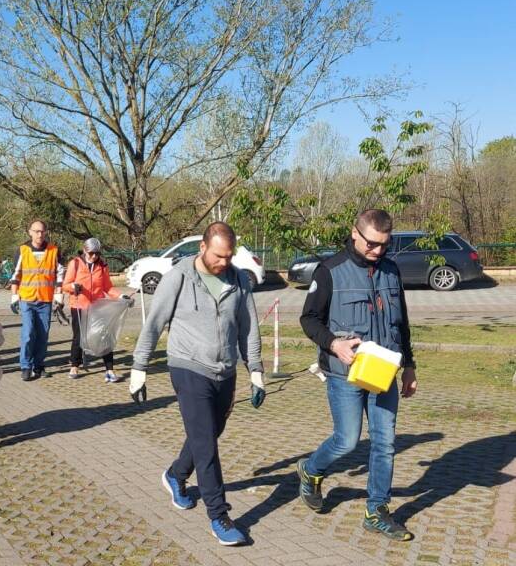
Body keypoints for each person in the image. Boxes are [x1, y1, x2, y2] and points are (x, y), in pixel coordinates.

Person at [129, 222, 265, 547]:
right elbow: (154, 323)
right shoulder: (179, 276)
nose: (224, 262)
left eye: (229, 256)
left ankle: (175, 475)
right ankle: (219, 515)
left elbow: (248, 328)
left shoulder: (239, 279)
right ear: (203, 247)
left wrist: (256, 371)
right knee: (206, 444)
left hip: (225, 370)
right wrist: (139, 367)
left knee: (208, 433)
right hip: (187, 365)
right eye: (219, 255)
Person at [297, 208, 417, 541]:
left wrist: (409, 366)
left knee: (385, 443)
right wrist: (334, 344)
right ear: (355, 233)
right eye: (372, 243)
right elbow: (309, 319)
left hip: (384, 375)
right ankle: (310, 469)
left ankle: (376, 510)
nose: (378, 251)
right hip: (343, 374)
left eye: (384, 244)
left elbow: (401, 323)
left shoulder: (391, 271)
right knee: (347, 440)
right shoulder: (330, 271)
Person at [62, 237, 128, 382]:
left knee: (103, 335)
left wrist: (121, 296)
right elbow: (65, 285)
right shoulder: (75, 264)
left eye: (97, 253)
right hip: (79, 305)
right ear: (85, 251)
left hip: (97, 306)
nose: (94, 256)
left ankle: (110, 369)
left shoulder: (102, 265)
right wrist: (73, 287)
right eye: (91, 253)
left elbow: (107, 287)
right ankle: (75, 365)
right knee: (79, 336)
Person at [10, 219, 65, 380]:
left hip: (45, 299)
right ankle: (26, 366)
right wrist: (14, 296)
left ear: (45, 232)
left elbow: (60, 274)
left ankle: (38, 365)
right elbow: (16, 275)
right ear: (30, 232)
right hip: (27, 298)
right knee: (28, 333)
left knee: (43, 334)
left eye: (42, 231)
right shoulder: (23, 250)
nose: (39, 234)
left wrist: (59, 295)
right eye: (36, 231)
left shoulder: (54, 250)